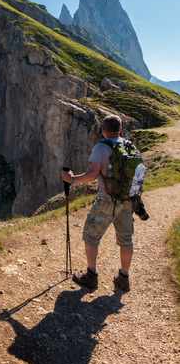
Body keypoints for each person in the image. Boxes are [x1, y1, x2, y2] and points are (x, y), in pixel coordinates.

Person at [61, 114, 135, 292]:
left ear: (103, 130)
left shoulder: (101, 148)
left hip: (106, 200)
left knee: (91, 236)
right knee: (126, 239)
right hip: (127, 200)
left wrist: (71, 179)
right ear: (120, 130)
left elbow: (92, 175)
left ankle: (91, 276)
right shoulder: (129, 146)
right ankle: (123, 278)